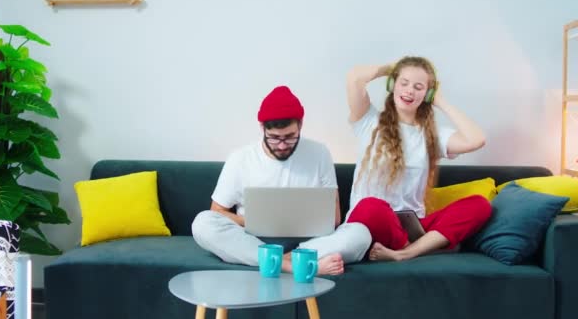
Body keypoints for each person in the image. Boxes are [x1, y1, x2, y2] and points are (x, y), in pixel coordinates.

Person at [192, 85, 371, 275]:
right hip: (254, 240)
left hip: (310, 242)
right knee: (203, 223)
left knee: (360, 234)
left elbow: (334, 218)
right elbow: (217, 212)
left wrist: (300, 223)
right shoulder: (240, 158)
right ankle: (293, 265)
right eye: (274, 138)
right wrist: (254, 221)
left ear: (300, 125)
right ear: (262, 128)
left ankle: (279, 261)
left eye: (290, 137)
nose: (282, 145)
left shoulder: (320, 153)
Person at [344, 56, 492, 262]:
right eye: (403, 83)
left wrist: (440, 101)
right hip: (370, 224)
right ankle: (420, 249)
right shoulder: (368, 120)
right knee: (371, 206)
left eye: (419, 87)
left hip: (413, 228)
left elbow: (476, 139)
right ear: (392, 84)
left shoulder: (432, 134)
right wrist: (391, 69)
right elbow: (354, 77)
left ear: (428, 93)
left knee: (480, 204)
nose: (409, 90)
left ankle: (405, 253)